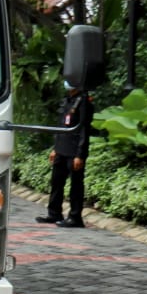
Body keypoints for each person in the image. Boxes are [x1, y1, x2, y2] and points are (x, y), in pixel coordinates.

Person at [36, 81, 94, 228]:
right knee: (56, 182)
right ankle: (54, 213)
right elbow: (61, 125)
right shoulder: (67, 100)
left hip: (74, 151)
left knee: (75, 185)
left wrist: (80, 155)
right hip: (62, 148)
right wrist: (55, 148)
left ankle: (75, 217)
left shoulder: (84, 102)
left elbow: (84, 130)